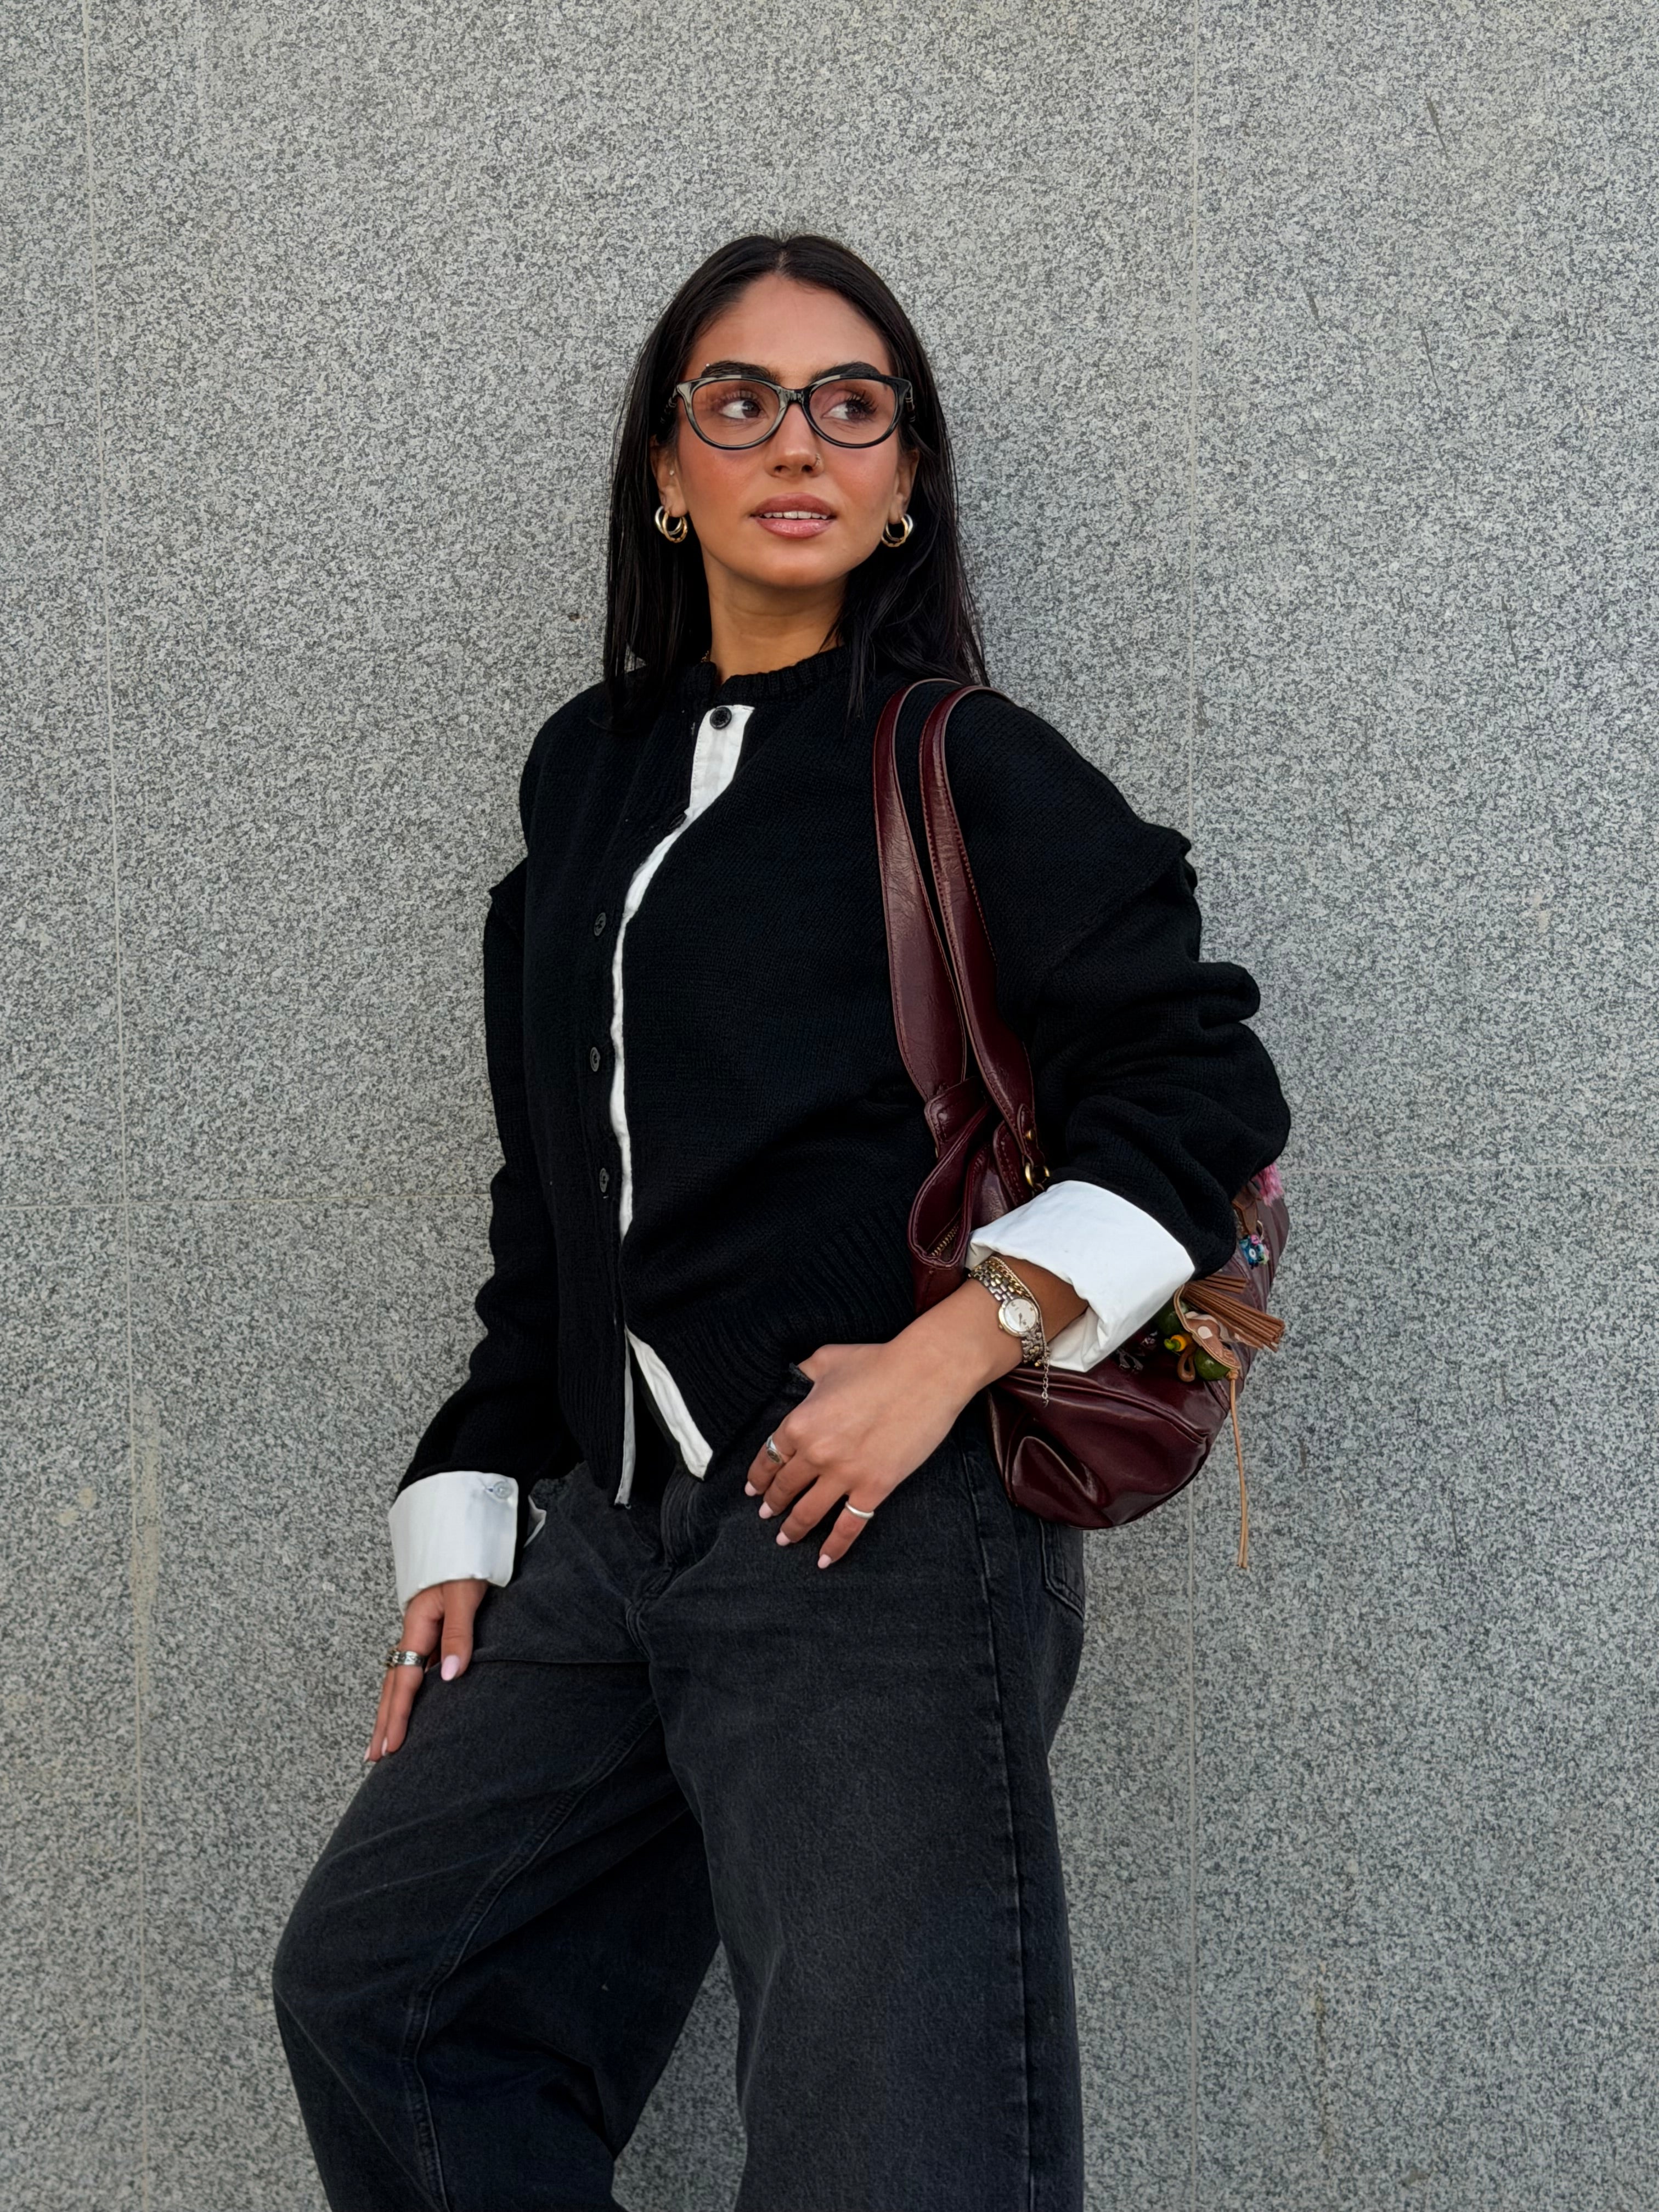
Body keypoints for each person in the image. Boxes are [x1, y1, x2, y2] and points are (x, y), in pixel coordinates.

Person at [272, 232, 1291, 2212]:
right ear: (670, 468)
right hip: (616, 1537)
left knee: (887, 2155)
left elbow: (1199, 1087)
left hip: (871, 1538)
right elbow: (556, 1199)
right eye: (741, 402)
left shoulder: (965, 759)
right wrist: (470, 1509)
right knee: (391, 1995)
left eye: (851, 405)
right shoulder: (587, 773)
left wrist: (951, 1351)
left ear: (905, 480)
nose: (798, 443)